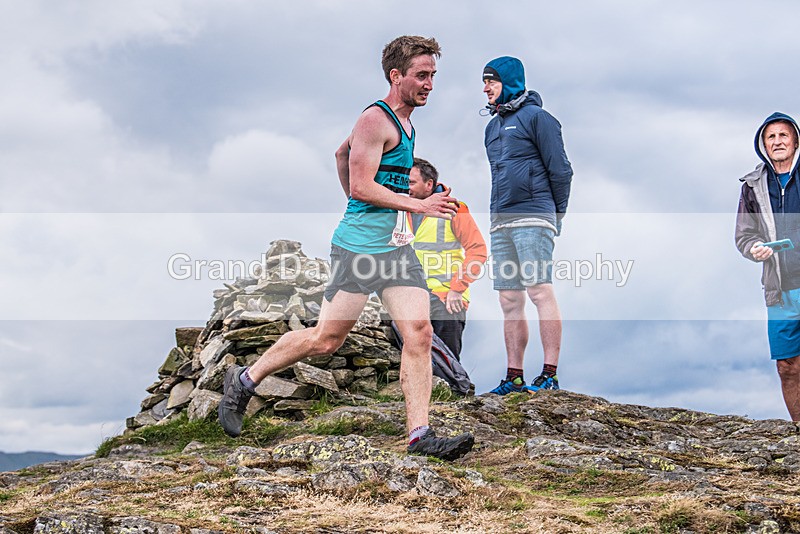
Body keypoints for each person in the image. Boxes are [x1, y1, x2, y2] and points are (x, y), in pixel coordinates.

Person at [218, 35, 475, 461]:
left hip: (395, 252)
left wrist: (375, 206)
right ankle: (245, 379)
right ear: (396, 76)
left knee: (420, 332)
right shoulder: (375, 120)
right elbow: (359, 183)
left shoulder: (407, 122)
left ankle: (419, 437)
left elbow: (342, 155)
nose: (430, 84)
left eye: (433, 75)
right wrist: (415, 204)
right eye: (421, 75)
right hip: (357, 251)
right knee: (326, 339)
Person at [481, 56, 573, 395]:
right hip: (500, 219)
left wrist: (555, 215)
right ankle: (514, 377)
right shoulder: (491, 128)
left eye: (491, 81)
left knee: (538, 290)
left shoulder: (539, 118)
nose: (486, 88)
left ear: (509, 81)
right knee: (508, 298)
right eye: (484, 82)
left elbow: (561, 171)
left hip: (534, 215)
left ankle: (549, 374)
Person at [736, 112, 800, 421]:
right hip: (779, 289)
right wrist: (753, 248)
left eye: (783, 135)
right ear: (763, 144)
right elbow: (744, 235)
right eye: (770, 137)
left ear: (795, 140)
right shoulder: (752, 185)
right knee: (787, 366)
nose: (777, 141)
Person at [408, 157, 487, 359]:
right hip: (412, 297)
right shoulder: (402, 211)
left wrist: (457, 289)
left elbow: (478, 251)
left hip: (447, 300)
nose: (406, 187)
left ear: (429, 184)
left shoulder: (455, 208)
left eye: (411, 182)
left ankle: (454, 390)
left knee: (447, 363)